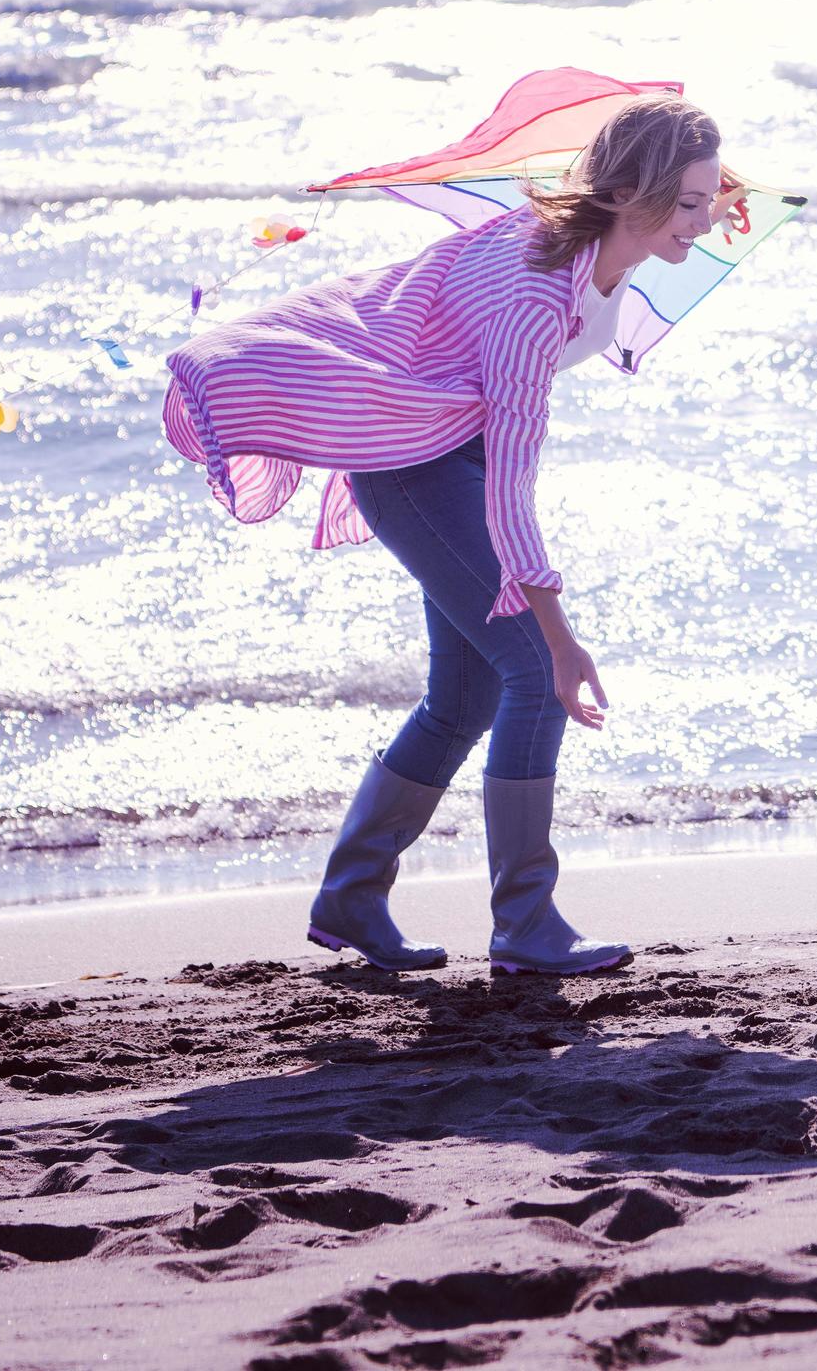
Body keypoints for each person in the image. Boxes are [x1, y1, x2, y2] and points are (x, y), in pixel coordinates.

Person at [163, 96, 737, 976]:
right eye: (691, 203)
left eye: (711, 199)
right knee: (537, 681)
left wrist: (704, 194)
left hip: (448, 444)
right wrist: (560, 635)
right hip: (411, 461)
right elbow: (512, 485)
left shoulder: (602, 242)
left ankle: (351, 899)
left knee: (467, 696)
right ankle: (525, 925)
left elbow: (498, 457)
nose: (706, 223)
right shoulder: (537, 292)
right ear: (630, 192)